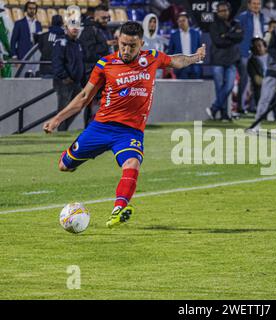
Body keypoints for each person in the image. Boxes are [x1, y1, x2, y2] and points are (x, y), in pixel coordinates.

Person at [43, 22, 206, 228]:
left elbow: (176, 60)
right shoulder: (105, 64)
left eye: (132, 46)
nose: (127, 50)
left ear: (141, 44)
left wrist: (196, 57)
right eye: (123, 45)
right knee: (64, 166)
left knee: (132, 164)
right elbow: (84, 96)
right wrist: (58, 119)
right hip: (100, 127)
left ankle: (118, 209)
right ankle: (78, 160)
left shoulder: (152, 58)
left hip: (130, 132)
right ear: (117, 41)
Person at [207, 1, 243, 121]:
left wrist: (226, 35)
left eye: (225, 10)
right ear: (217, 12)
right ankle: (223, 114)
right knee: (220, 88)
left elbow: (240, 37)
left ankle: (214, 108)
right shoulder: (213, 25)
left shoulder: (235, 23)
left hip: (231, 60)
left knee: (229, 86)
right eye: (221, 11)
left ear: (229, 11)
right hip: (218, 60)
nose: (224, 13)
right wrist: (231, 36)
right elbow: (218, 42)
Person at [52, 19, 84, 131]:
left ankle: (63, 129)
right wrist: (64, 77)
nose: (75, 28)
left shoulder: (78, 43)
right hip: (64, 82)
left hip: (76, 82)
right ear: (66, 28)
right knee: (63, 108)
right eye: (72, 26)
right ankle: (61, 130)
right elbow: (57, 62)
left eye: (77, 26)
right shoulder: (60, 42)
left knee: (78, 106)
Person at [237, 0, 265, 113]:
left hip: (257, 51)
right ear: (249, 5)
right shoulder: (242, 17)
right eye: (254, 4)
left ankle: (254, 106)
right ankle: (240, 106)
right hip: (244, 51)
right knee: (244, 79)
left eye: (258, 4)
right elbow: (238, 34)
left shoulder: (262, 17)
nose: (256, 6)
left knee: (257, 79)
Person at [167, 12, 202, 79]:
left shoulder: (196, 33)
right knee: (181, 88)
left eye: (183, 20)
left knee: (195, 89)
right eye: (179, 21)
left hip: (194, 67)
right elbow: (170, 51)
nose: (181, 23)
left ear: (188, 20)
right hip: (180, 67)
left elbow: (199, 48)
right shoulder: (174, 35)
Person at [247, 37, 267, 107]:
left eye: (259, 46)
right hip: (263, 85)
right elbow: (256, 79)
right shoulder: (252, 61)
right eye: (255, 46)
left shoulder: (272, 58)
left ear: (265, 47)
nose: (258, 48)